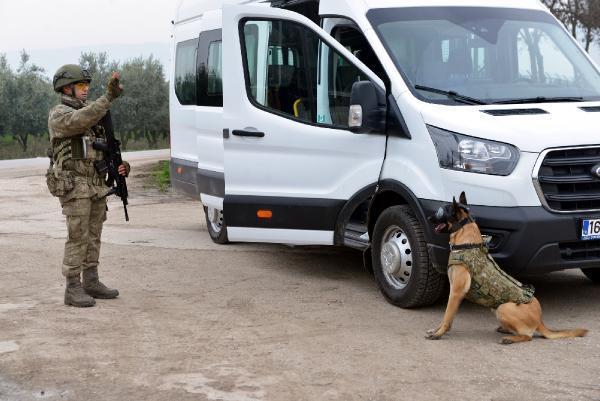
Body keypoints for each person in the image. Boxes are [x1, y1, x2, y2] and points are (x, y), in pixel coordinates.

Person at [48, 64, 129, 307]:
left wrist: (121, 167)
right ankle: (72, 287)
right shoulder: (60, 114)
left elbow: (102, 150)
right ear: (67, 88)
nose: (85, 90)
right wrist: (108, 98)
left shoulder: (94, 116)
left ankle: (90, 280)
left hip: (95, 184)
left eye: (86, 86)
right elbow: (80, 120)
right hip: (74, 185)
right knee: (78, 235)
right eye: (81, 86)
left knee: (94, 235)